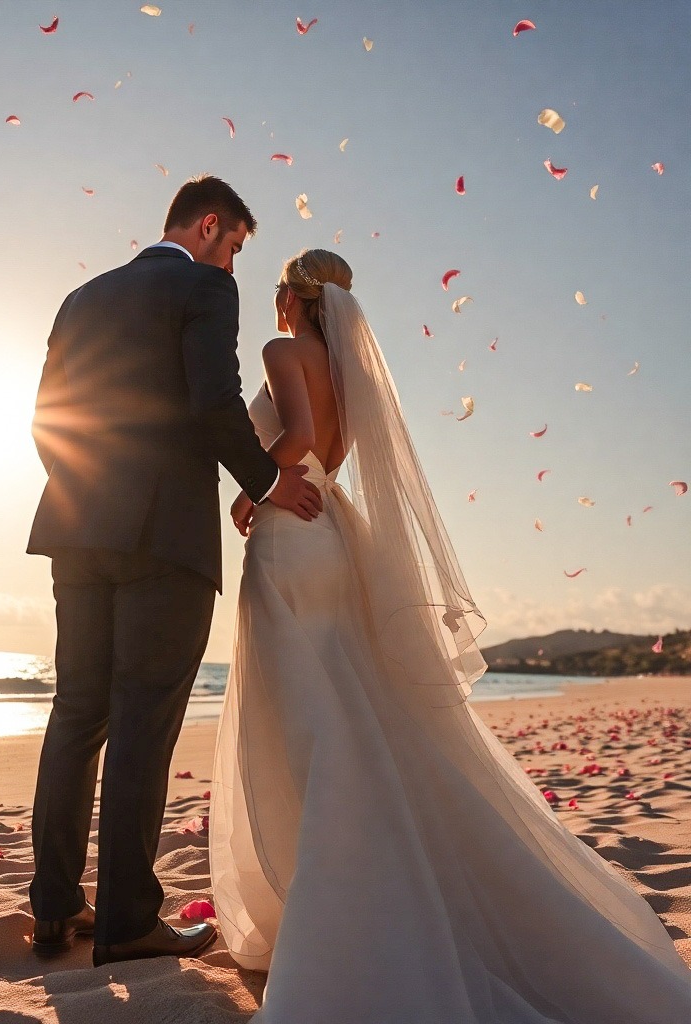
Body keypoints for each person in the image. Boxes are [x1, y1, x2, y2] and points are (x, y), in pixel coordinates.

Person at [210, 248, 691, 1022]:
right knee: (345, 707)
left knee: (297, 720)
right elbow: (329, 450)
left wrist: (256, 488)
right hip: (332, 530)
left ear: (288, 299)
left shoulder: (281, 348)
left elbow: (295, 433)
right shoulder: (351, 374)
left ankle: (327, 897)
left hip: (288, 535)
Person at [26, 176, 323, 968]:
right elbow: (212, 402)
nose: (232, 266)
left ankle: (54, 907)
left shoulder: (82, 296)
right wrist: (266, 482)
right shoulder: (201, 288)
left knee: (75, 713)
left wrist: (83, 492)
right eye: (233, 248)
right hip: (165, 542)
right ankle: (127, 923)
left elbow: (43, 416)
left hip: (74, 528)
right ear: (211, 226)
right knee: (142, 721)